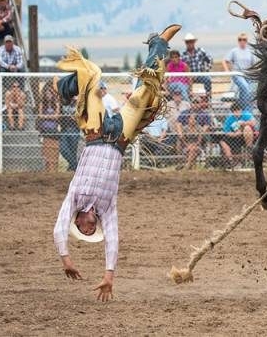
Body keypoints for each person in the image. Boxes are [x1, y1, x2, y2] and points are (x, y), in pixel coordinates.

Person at [53, 23, 181, 301]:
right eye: (90, 230)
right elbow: (113, 241)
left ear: (77, 221)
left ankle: (64, 87)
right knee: (146, 91)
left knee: (93, 75)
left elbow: (57, 227)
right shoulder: (107, 209)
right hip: (120, 137)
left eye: (83, 229)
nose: (88, 228)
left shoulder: (73, 199)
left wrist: (66, 260)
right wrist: (108, 276)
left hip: (96, 131)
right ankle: (158, 44)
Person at [175, 93, 213, 170]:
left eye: (197, 102)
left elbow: (207, 126)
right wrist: (180, 133)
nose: (195, 104)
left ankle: (186, 166)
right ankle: (185, 164)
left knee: (194, 149)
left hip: (199, 138)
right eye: (194, 102)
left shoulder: (205, 114)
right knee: (180, 139)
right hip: (187, 137)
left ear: (201, 103)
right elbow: (178, 123)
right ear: (191, 103)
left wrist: (200, 132)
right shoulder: (185, 113)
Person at [218, 101, 257, 169]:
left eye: (238, 111)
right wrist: (235, 134)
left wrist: (243, 123)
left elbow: (254, 123)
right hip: (235, 137)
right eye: (235, 111)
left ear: (241, 110)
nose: (237, 113)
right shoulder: (229, 118)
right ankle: (230, 160)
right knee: (222, 141)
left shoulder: (246, 114)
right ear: (232, 112)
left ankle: (249, 148)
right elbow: (227, 132)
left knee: (247, 128)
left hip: (247, 136)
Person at [222, 32, 255, 110]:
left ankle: (244, 110)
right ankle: (245, 109)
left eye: (244, 39)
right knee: (245, 87)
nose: (242, 41)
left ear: (246, 41)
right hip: (237, 74)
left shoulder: (250, 51)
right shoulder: (234, 51)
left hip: (248, 74)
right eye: (240, 39)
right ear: (238, 41)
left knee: (248, 92)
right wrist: (227, 71)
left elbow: (253, 65)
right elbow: (225, 60)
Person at [181, 33, 213, 98]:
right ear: (185, 43)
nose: (189, 43)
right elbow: (181, 66)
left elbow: (210, 60)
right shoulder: (183, 54)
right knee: (184, 85)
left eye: (191, 41)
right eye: (187, 42)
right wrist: (188, 75)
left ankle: (208, 97)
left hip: (200, 74)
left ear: (194, 42)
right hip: (188, 76)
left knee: (208, 79)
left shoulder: (200, 51)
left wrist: (206, 70)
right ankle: (189, 99)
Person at [37, 83, 61, 171]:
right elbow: (40, 116)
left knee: (54, 151)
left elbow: (57, 116)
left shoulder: (56, 103)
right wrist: (51, 116)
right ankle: (47, 170)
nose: (49, 95)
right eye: (47, 93)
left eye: (50, 92)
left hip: (54, 129)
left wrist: (46, 116)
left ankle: (54, 170)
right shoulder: (42, 103)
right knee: (46, 152)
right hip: (45, 130)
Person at [59, 96, 80, 171]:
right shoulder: (63, 100)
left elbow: (81, 117)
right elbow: (60, 114)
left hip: (74, 129)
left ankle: (72, 168)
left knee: (73, 151)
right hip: (64, 129)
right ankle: (76, 166)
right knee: (62, 148)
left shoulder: (79, 102)